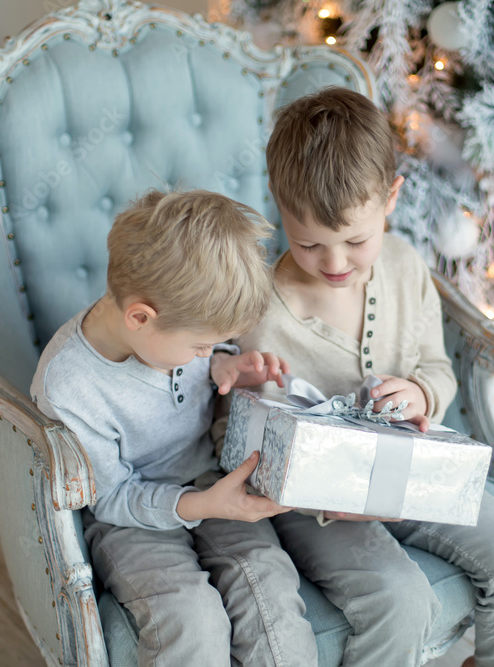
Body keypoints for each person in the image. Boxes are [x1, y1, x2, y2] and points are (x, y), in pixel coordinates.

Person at [228, 88, 494, 667]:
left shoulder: (403, 266)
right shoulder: (260, 309)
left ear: (391, 200)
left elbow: (437, 370)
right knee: (399, 600)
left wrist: (422, 392)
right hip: (316, 510)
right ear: (278, 205)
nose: (334, 264)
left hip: (414, 476)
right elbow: (247, 441)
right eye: (309, 245)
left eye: (356, 241)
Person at [30, 190, 317, 666]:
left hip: (207, 478)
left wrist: (225, 366)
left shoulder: (165, 333)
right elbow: (111, 497)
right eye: (202, 345)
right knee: (191, 617)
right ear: (140, 317)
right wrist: (201, 505)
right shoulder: (70, 387)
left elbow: (186, 363)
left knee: (268, 586)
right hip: (129, 516)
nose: (205, 353)